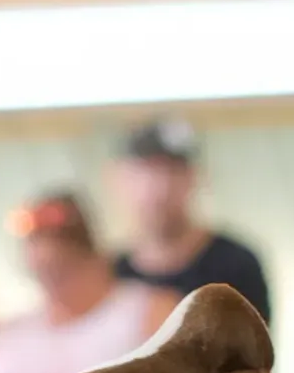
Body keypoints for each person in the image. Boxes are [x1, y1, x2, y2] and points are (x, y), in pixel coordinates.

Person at [0, 193, 181, 373]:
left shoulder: (150, 312)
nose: (56, 286)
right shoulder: (2, 338)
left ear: (95, 257)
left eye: (64, 270)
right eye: (44, 272)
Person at [111, 117, 271, 325]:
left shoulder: (235, 263)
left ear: (194, 177)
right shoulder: (110, 275)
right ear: (120, 177)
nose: (161, 187)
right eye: (148, 170)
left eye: (173, 171)